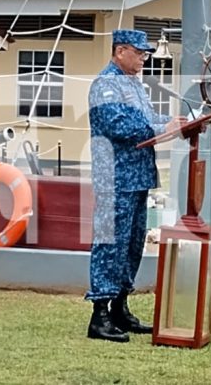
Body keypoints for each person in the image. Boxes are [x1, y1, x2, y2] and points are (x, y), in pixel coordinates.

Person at [86, 29, 183, 343]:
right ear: (120, 50)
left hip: (137, 178)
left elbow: (150, 118)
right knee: (110, 244)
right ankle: (100, 314)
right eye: (139, 52)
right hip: (115, 179)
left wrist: (176, 123)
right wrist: (163, 127)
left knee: (132, 244)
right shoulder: (105, 85)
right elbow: (121, 126)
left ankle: (120, 307)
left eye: (145, 53)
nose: (144, 58)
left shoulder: (133, 85)